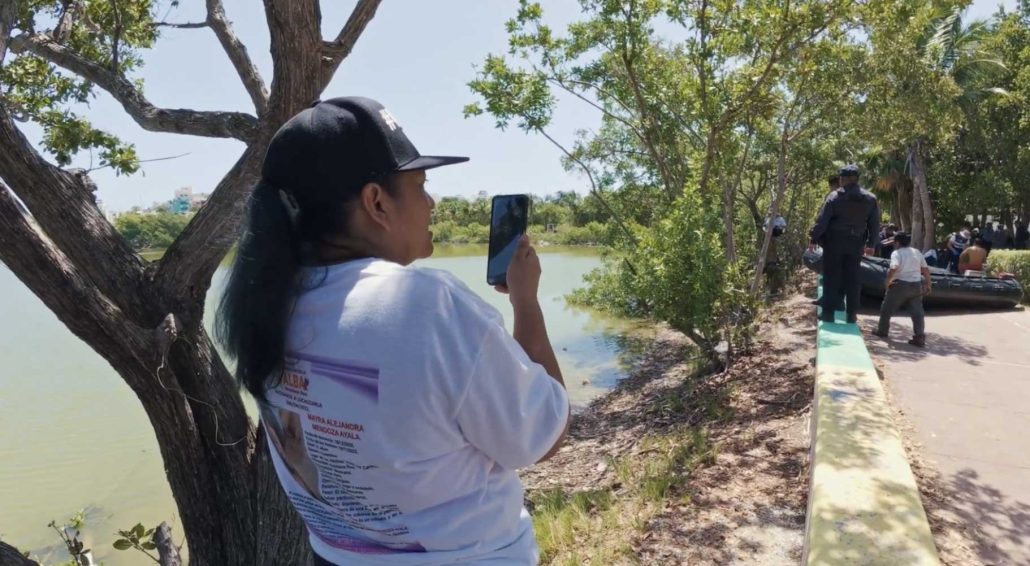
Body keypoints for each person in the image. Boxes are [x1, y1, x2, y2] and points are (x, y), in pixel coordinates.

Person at [215, 97, 570, 565]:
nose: (431, 202)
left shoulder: (264, 304)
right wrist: (527, 305)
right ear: (377, 202)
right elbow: (541, 437)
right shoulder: (426, 305)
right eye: (420, 185)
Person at [809, 164, 880, 324]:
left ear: (842, 179)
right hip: (856, 244)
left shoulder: (834, 197)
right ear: (857, 179)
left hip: (834, 243)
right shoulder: (870, 198)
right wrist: (871, 244)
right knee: (853, 279)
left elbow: (823, 221)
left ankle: (828, 314)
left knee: (831, 278)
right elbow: (874, 224)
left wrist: (814, 238)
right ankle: (851, 315)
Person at [873, 231, 931, 347]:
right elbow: (925, 269)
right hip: (916, 285)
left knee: (887, 308)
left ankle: (882, 331)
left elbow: (894, 267)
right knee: (917, 312)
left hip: (900, 284)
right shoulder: (917, 252)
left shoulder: (897, 253)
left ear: (897, 242)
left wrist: (887, 281)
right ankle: (919, 337)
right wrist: (928, 284)